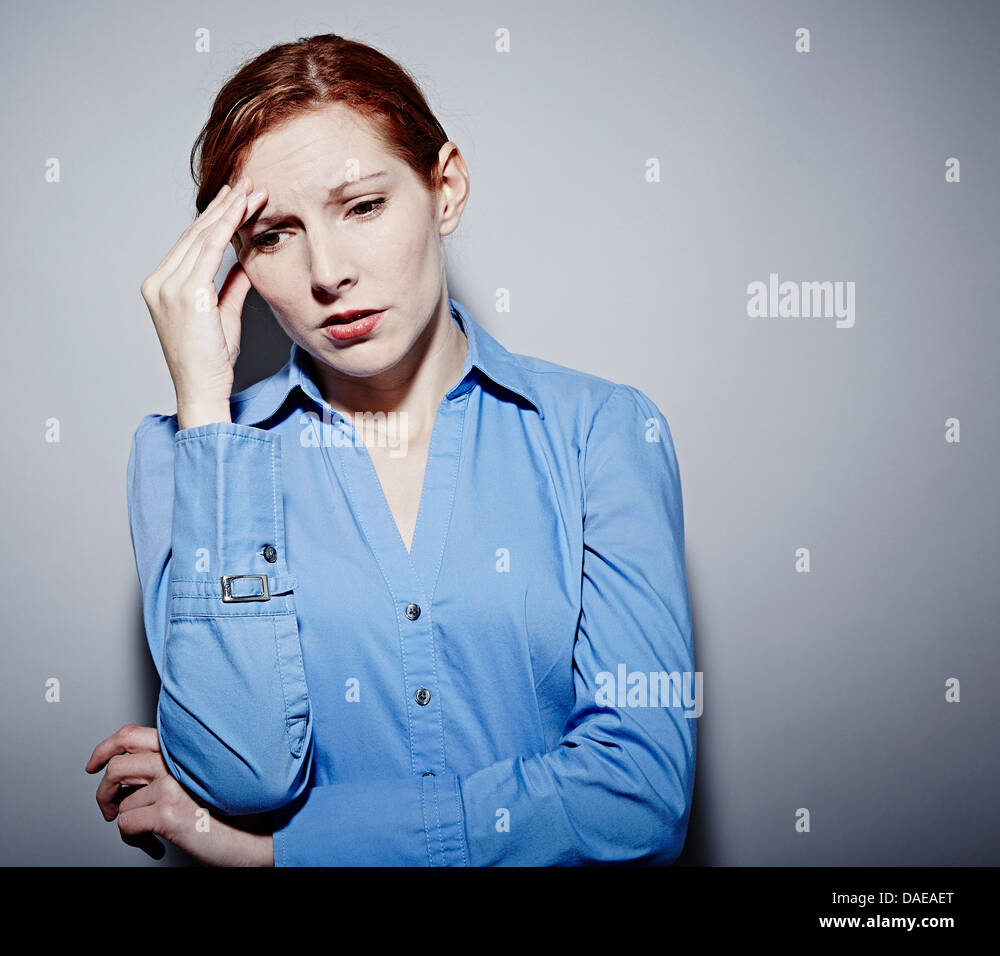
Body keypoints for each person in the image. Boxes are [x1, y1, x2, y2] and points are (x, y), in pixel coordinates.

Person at [86, 34, 696, 866]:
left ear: (445, 189)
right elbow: (246, 776)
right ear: (235, 262)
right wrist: (204, 405)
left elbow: (637, 802)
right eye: (273, 236)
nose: (328, 271)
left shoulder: (602, 434)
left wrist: (279, 853)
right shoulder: (184, 460)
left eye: (363, 207)